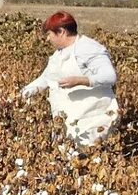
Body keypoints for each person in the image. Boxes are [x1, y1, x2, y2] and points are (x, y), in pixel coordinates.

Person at [21, 11, 119, 148]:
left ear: (61, 32)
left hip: (92, 120)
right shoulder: (58, 54)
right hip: (66, 120)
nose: (48, 39)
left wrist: (80, 80)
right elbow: (46, 79)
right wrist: (24, 92)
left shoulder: (88, 48)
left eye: (49, 34)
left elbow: (109, 76)